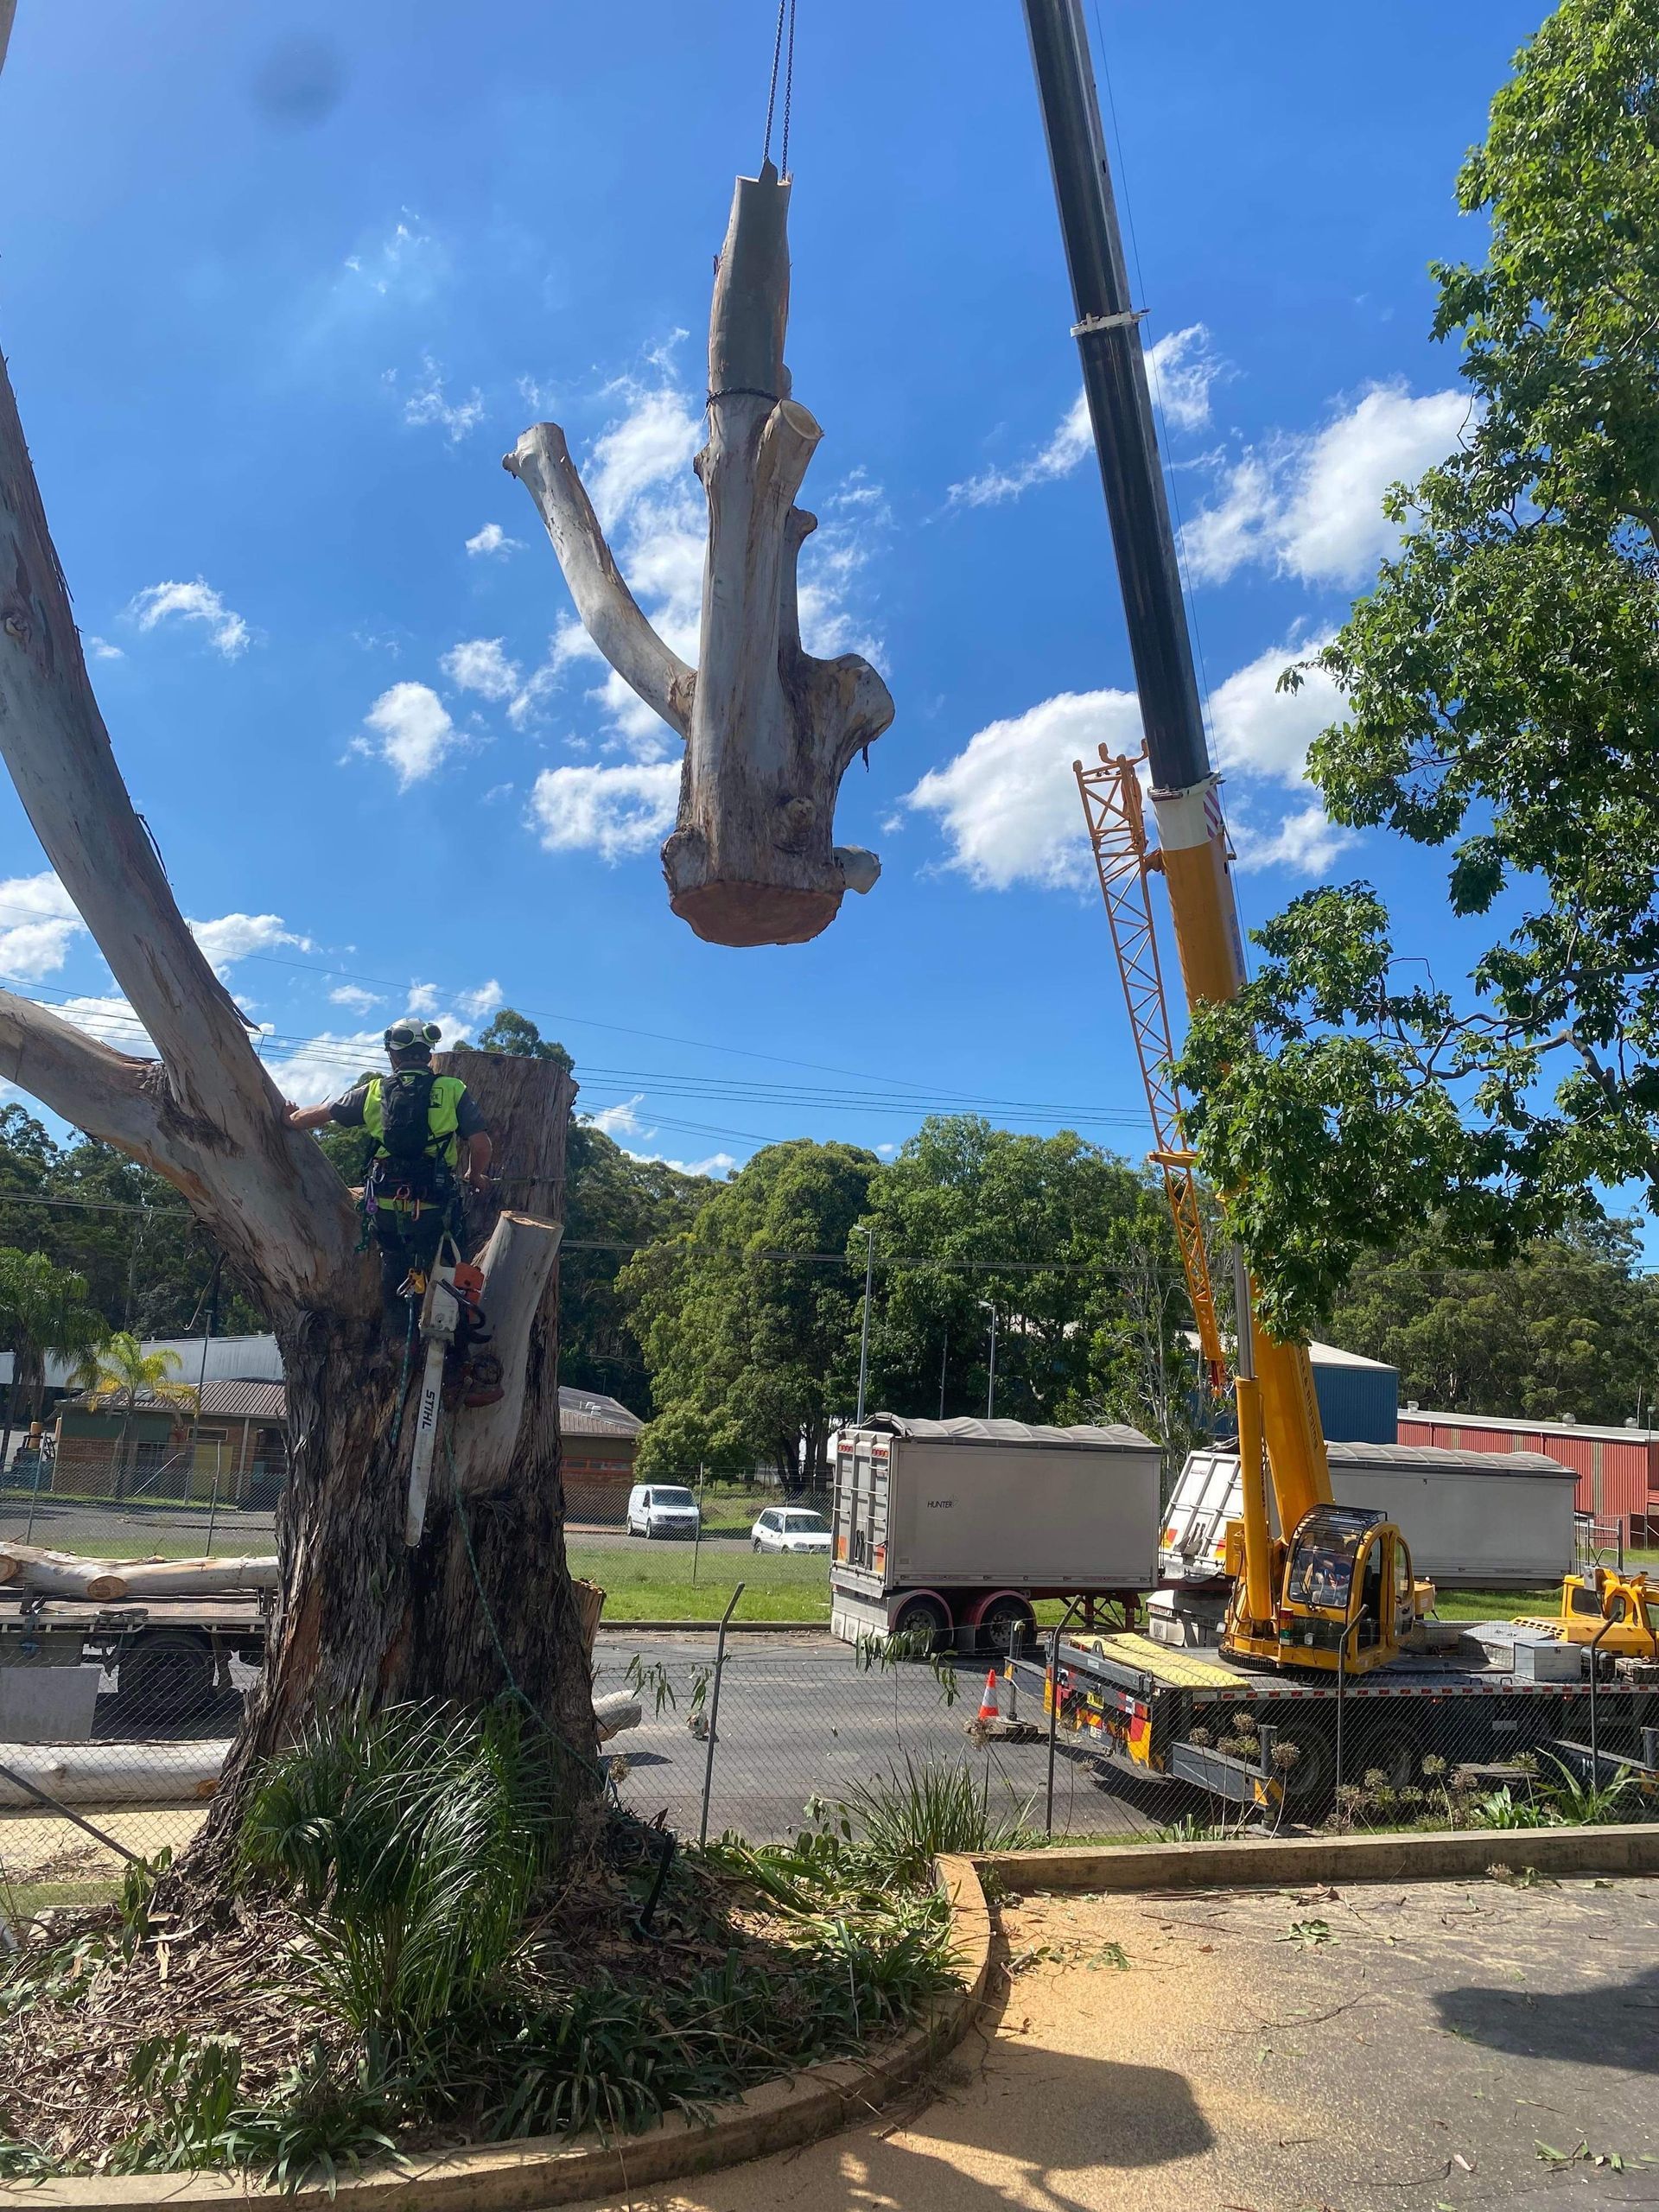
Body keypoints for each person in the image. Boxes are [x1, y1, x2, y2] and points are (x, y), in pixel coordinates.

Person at [289, 1018, 492, 1315]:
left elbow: (319, 1115)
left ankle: (397, 1333)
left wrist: (290, 1118)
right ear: (429, 1054)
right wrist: (475, 1175)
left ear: (393, 1055)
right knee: (448, 1265)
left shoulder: (373, 1091)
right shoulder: (451, 1088)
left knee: (393, 1260)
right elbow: (481, 1144)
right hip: (434, 1207)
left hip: (386, 1208)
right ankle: (449, 1335)